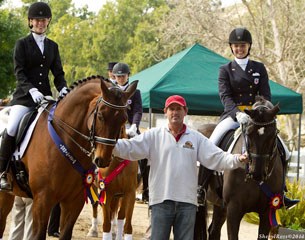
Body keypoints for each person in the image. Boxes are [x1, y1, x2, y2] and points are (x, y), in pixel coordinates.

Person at [112, 95, 248, 240]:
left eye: (178, 109)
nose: (175, 112)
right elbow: (130, 147)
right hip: (161, 201)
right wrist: (110, 145)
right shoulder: (154, 135)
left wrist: (237, 159)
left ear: (185, 111)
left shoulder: (195, 137)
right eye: (171, 109)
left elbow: (217, 157)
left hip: (187, 204)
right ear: (165, 111)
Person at [197, 27, 299, 209]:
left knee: (285, 150)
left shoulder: (259, 68)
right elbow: (225, 96)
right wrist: (237, 113)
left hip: (257, 117)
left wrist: (257, 111)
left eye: (242, 45)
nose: (239, 49)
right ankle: (201, 188)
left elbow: (265, 95)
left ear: (248, 46)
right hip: (233, 115)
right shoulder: (225, 70)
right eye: (236, 46)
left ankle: (282, 192)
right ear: (231, 47)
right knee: (211, 144)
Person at [0, 2, 68, 191]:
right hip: (24, 98)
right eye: (37, 20)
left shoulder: (53, 46)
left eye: (44, 20)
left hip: (45, 98)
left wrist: (63, 88)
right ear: (31, 22)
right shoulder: (21, 44)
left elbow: (58, 73)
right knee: (12, 128)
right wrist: (31, 90)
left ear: (48, 22)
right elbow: (19, 72)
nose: (40, 23)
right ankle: (3, 172)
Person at [112, 62, 149, 202]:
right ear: (114, 76)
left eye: (123, 76)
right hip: (114, 128)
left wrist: (134, 125)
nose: (121, 78)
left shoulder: (135, 92)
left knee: (145, 152)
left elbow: (138, 110)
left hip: (131, 126)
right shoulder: (111, 90)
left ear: (128, 75)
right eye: (118, 76)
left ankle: (144, 187)